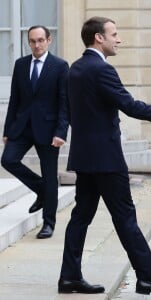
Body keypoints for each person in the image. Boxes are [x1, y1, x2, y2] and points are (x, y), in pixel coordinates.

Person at [58, 16, 151, 295]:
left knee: (81, 217)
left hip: (85, 158)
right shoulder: (101, 70)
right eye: (114, 34)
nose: (119, 40)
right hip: (106, 159)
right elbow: (129, 105)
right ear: (99, 38)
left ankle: (69, 276)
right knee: (125, 218)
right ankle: (148, 278)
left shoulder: (76, 68)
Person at [1, 26, 69, 239]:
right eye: (32, 41)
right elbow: (15, 99)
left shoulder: (59, 66)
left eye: (40, 40)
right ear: (28, 42)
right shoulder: (21, 65)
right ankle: (41, 189)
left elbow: (64, 102)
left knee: (50, 175)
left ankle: (48, 223)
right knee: (8, 160)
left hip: (49, 130)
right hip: (22, 126)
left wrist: (61, 132)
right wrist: (7, 129)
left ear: (49, 40)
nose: (36, 45)